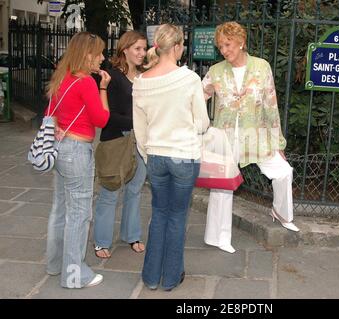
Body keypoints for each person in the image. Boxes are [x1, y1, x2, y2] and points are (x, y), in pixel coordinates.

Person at [202, 21, 299, 255]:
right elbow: (197, 98)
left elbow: (271, 106)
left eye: (228, 44)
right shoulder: (216, 71)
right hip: (225, 137)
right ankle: (218, 237)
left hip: (256, 135)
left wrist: (278, 143)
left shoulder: (261, 67)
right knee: (222, 187)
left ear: (241, 41)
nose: (225, 50)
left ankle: (281, 213)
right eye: (221, 46)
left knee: (283, 171)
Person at [133, 24, 210, 291]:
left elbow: (139, 130)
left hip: (155, 156)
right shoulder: (189, 79)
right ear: (177, 47)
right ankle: (171, 278)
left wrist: (148, 154)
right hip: (183, 157)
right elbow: (202, 123)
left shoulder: (140, 83)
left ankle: (151, 277)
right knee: (177, 217)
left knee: (159, 213)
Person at [45, 32, 110, 288]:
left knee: (60, 208)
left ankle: (55, 264)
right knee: (79, 214)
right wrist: (103, 87)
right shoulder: (86, 82)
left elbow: (49, 114)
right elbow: (101, 119)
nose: (102, 58)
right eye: (99, 53)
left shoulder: (61, 77)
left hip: (59, 147)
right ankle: (74, 276)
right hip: (77, 151)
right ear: (87, 55)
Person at [93, 30, 148, 259]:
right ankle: (101, 242)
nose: (142, 53)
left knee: (135, 191)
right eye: (137, 48)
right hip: (117, 140)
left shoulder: (145, 77)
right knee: (110, 191)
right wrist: (139, 121)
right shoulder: (112, 77)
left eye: (144, 49)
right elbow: (108, 116)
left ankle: (132, 235)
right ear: (124, 49)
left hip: (141, 141)